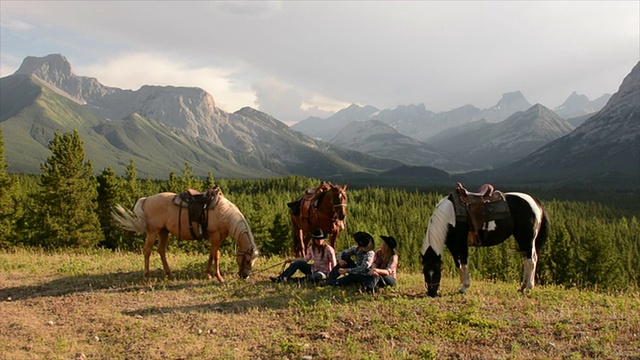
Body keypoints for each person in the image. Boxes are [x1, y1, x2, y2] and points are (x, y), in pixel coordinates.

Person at [270, 228, 337, 283]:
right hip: (313, 269)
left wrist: (331, 276)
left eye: (321, 239)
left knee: (317, 276)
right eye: (317, 239)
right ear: (314, 239)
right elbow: (305, 259)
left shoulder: (329, 249)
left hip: (324, 272)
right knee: (298, 263)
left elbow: (334, 265)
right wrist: (292, 260)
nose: (319, 241)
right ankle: (280, 278)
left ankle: (297, 280)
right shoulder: (311, 248)